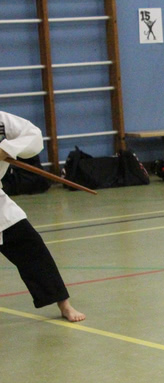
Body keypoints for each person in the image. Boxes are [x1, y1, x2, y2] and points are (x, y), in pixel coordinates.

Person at [0, 111, 85, 322]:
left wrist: (7, 148)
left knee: (31, 247)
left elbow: (33, 135)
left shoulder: (2, 121)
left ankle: (64, 304)